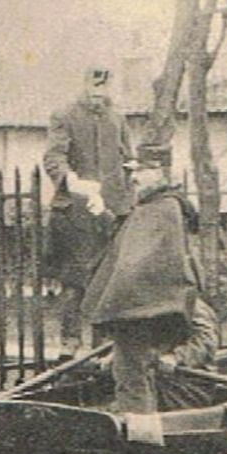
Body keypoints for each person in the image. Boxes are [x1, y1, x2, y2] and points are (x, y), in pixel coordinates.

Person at [80, 142, 218, 413]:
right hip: (148, 383)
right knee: (124, 372)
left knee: (133, 383)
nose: (133, 178)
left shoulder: (166, 209)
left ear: (161, 172)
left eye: (140, 171)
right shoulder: (147, 210)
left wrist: (175, 358)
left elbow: (206, 340)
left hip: (179, 387)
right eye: (131, 172)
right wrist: (114, 355)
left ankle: (138, 431)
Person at [41, 63, 134, 357]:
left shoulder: (118, 119)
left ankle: (103, 349)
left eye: (103, 87)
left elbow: (128, 158)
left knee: (107, 281)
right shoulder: (65, 116)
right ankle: (69, 348)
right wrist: (74, 183)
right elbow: (54, 157)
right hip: (76, 215)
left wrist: (127, 185)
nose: (98, 93)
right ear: (83, 85)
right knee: (75, 282)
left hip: (113, 212)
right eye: (93, 87)